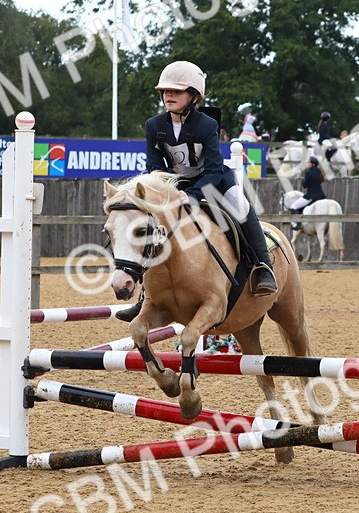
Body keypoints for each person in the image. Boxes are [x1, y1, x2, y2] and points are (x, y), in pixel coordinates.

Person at [116, 61, 277, 322]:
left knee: (242, 206)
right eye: (166, 91)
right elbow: (155, 167)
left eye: (176, 92)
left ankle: (263, 266)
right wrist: (167, 193)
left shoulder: (206, 125)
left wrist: (192, 195)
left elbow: (213, 169)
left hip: (215, 183)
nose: (169, 95)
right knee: (152, 229)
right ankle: (147, 295)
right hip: (175, 187)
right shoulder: (153, 125)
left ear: (193, 96)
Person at [288, 155, 326, 229]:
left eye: (308, 163)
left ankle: (298, 224)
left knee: (293, 206)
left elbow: (305, 185)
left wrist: (303, 180)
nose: (307, 164)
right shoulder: (319, 172)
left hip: (311, 196)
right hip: (321, 196)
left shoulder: (309, 173)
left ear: (313, 164)